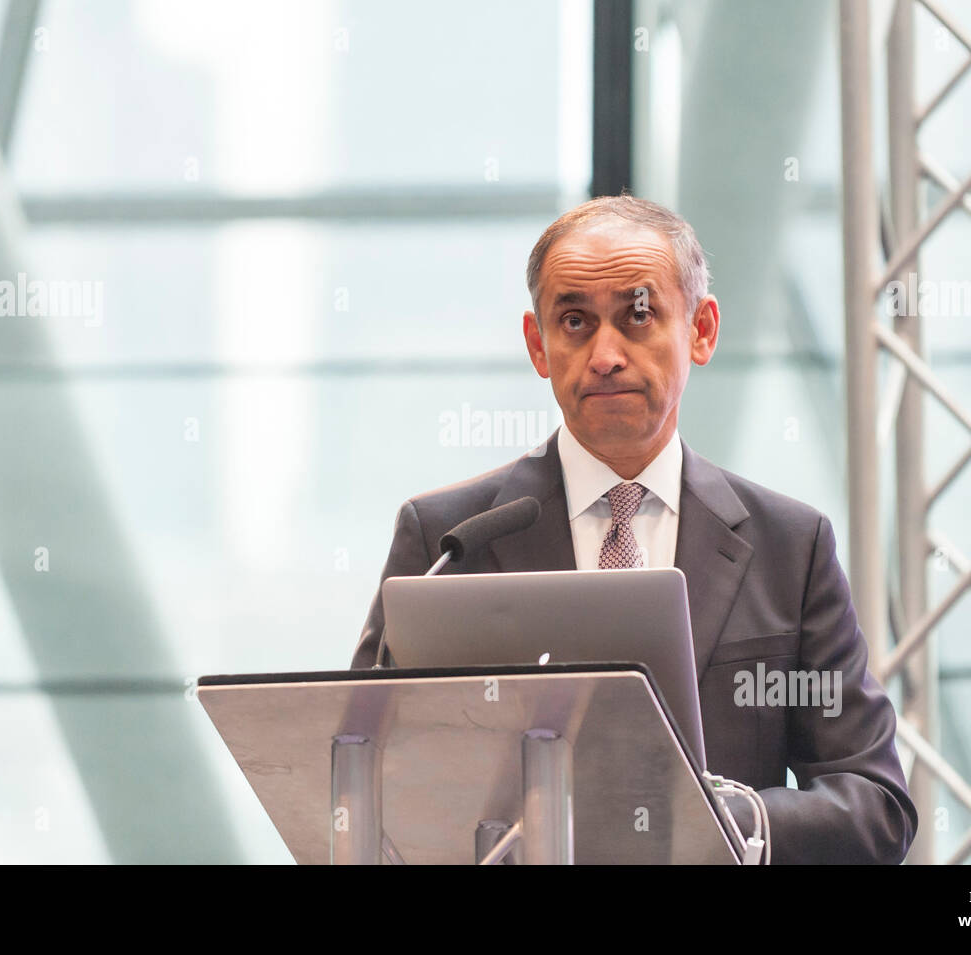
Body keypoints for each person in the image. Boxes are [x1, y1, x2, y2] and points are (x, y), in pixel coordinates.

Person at [350, 195, 917, 864]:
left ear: (701, 330)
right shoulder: (448, 540)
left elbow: (874, 802)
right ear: (539, 344)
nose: (605, 354)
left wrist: (733, 817)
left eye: (637, 316)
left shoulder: (790, 547)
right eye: (574, 321)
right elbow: (362, 773)